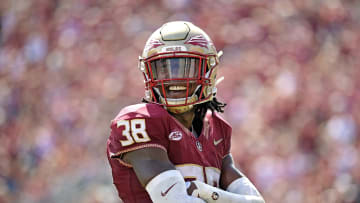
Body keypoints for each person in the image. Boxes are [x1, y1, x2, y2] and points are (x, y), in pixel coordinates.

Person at [106, 21, 265, 203]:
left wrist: (204, 192)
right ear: (149, 73)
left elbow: (256, 201)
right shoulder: (139, 120)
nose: (175, 77)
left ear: (208, 71)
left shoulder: (216, 127)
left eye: (185, 66)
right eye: (163, 68)